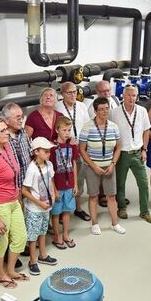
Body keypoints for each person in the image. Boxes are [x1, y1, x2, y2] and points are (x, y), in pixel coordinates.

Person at [0, 102, 33, 268]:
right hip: (0, 202)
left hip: (14, 197)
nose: (6, 133)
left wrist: (18, 194)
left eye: (5, 129)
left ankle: (10, 270)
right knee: (2, 240)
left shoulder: (8, 145)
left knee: (20, 237)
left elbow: (15, 172)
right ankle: (1, 273)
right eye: (2, 131)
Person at [79, 96, 126, 235]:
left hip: (109, 166)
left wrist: (113, 164)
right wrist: (94, 167)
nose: (105, 112)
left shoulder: (113, 126)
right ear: (95, 111)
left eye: (107, 108)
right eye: (101, 109)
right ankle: (94, 223)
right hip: (92, 167)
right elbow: (82, 149)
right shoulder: (87, 127)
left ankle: (115, 223)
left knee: (111, 196)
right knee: (93, 196)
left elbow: (118, 147)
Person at [112, 85, 151, 224]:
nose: (132, 98)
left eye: (134, 95)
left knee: (143, 184)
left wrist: (144, 150)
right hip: (122, 154)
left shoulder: (142, 111)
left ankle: (144, 212)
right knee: (120, 183)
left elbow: (146, 131)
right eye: (129, 95)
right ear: (123, 96)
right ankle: (122, 208)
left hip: (137, 153)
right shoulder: (115, 113)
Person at [22, 137, 59, 276]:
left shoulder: (49, 164)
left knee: (43, 231)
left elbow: (51, 179)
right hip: (35, 209)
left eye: (49, 151)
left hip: (46, 206)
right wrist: (39, 203)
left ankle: (43, 255)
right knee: (32, 236)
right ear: (36, 151)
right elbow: (24, 191)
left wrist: (54, 193)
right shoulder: (32, 169)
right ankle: (32, 261)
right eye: (45, 151)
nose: (48, 154)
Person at [55, 82, 91, 222]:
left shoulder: (81, 106)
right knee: (63, 177)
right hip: (64, 148)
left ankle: (78, 207)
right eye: (69, 92)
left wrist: (86, 144)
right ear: (62, 94)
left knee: (79, 177)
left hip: (80, 147)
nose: (73, 95)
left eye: (75, 92)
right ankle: (61, 209)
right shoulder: (57, 108)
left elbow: (87, 126)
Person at [49, 116, 78, 249]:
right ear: (57, 130)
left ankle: (65, 234)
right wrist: (53, 189)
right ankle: (56, 236)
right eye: (64, 130)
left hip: (70, 184)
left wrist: (75, 183)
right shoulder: (52, 147)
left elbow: (74, 164)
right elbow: (49, 170)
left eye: (69, 130)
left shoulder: (71, 145)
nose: (67, 133)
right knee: (56, 212)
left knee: (67, 210)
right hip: (57, 185)